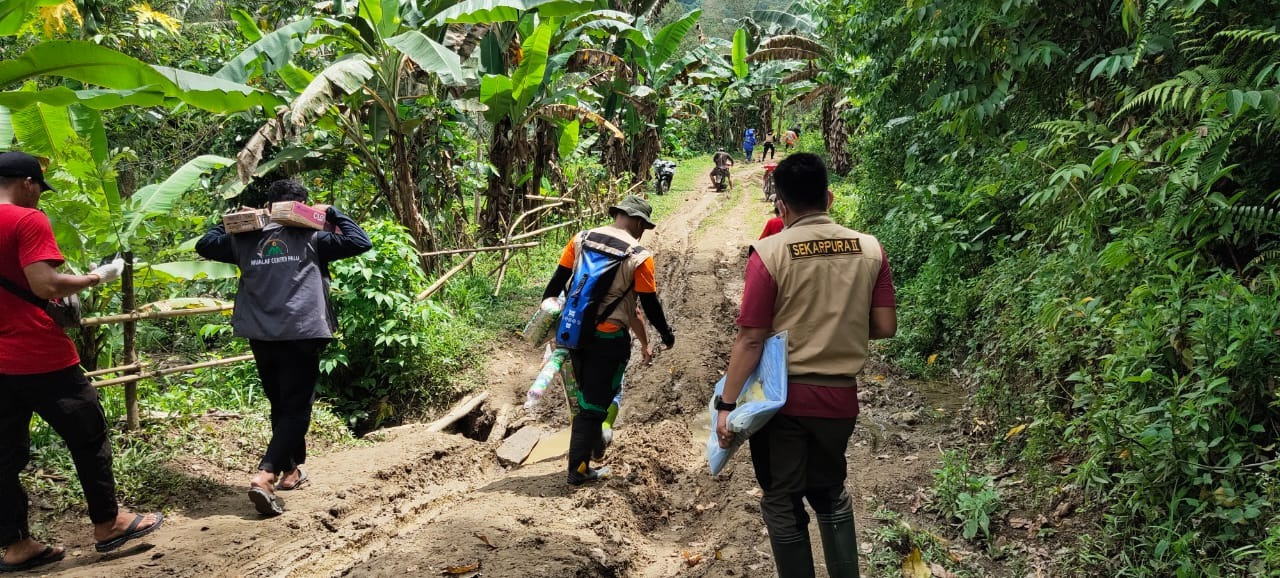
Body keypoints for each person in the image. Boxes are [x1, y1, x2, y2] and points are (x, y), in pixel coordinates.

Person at [715, 153, 896, 578]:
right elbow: (885, 325)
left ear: (781, 204)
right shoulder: (870, 248)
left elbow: (751, 337)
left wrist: (726, 406)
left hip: (783, 405)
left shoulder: (770, 252)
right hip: (839, 400)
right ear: (829, 196)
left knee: (782, 498)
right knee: (830, 491)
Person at [0, 152, 164, 572]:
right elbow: (45, 282)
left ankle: (16, 545)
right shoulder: (25, 219)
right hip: (39, 355)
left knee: (3, 455)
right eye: (39, 189)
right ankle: (108, 524)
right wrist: (97, 277)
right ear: (29, 184)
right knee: (88, 436)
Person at [196, 179, 371, 516]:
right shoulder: (312, 237)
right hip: (302, 332)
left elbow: (206, 243)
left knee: (280, 402)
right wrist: (330, 211)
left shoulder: (243, 239)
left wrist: (232, 220)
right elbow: (359, 241)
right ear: (302, 206)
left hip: (261, 334)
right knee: (295, 408)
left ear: (270, 204)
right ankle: (265, 474)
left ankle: (290, 471)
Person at [542, 195, 675, 485]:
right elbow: (649, 305)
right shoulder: (640, 256)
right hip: (609, 338)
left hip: (574, 333)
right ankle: (578, 470)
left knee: (586, 398)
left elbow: (554, 286)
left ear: (617, 215)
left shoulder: (580, 239)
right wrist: (666, 335)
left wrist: (551, 327)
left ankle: (587, 455)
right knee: (594, 405)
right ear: (639, 222)